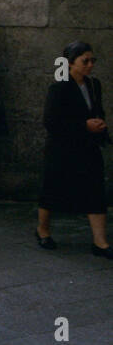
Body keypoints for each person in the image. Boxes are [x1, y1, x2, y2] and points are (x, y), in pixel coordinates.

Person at [37, 41, 110, 257]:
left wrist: (99, 123)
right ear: (70, 64)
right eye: (84, 61)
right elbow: (51, 121)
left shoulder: (94, 85)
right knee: (52, 190)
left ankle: (100, 241)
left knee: (95, 191)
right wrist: (83, 125)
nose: (90, 65)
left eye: (92, 60)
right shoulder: (59, 87)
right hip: (62, 148)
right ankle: (43, 229)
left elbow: (98, 110)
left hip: (88, 146)